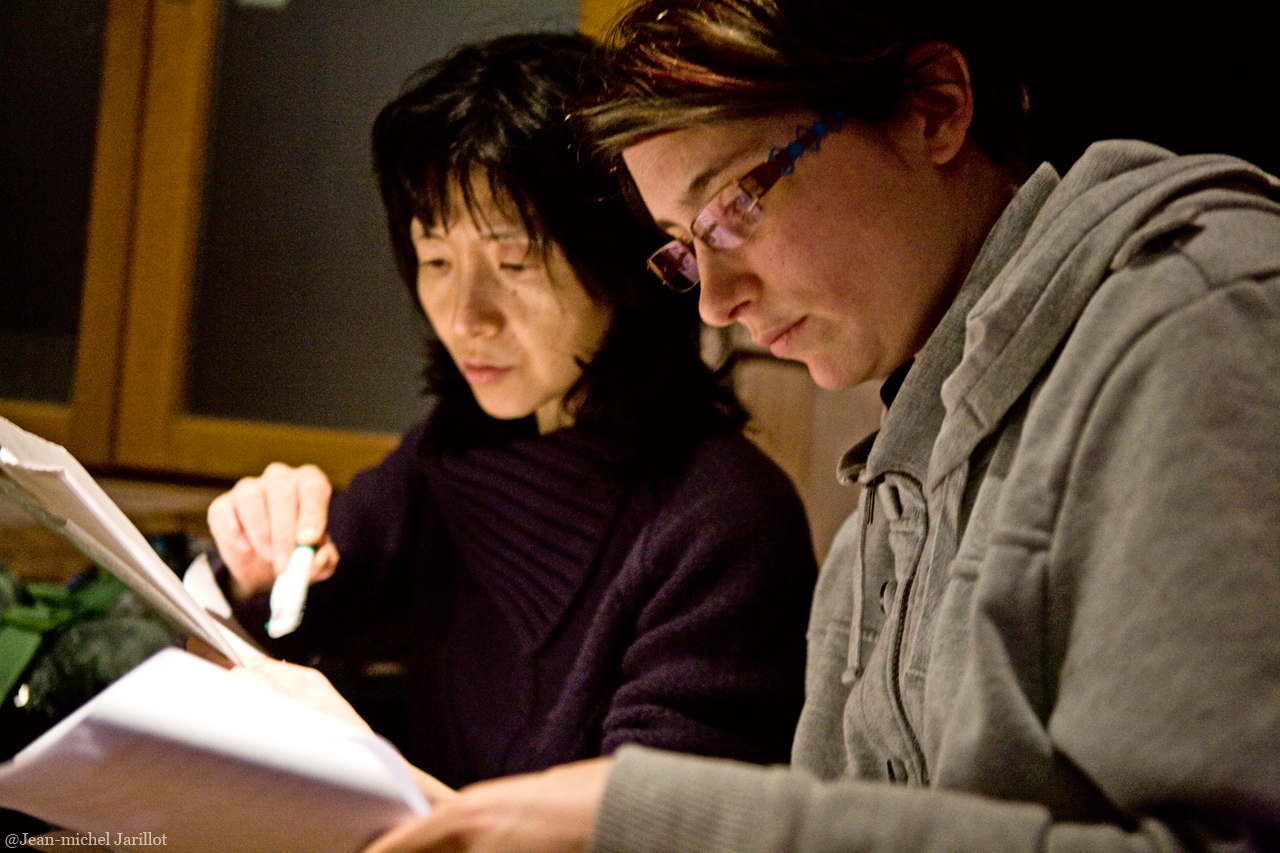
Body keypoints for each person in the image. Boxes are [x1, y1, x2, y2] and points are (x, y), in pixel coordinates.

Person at [359, 2, 1280, 851]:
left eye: (735, 206)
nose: (715, 301)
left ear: (933, 108)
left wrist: (655, 821)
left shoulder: (1195, 321)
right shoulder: (889, 502)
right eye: (686, 248)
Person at [205, 32, 818, 790]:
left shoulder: (723, 517)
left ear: (623, 260)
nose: (466, 316)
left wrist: (384, 780)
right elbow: (282, 613)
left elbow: (651, 825)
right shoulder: (451, 456)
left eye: (514, 261)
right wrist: (254, 565)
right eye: (436, 260)